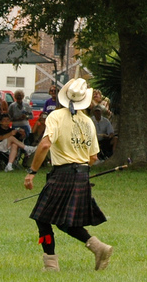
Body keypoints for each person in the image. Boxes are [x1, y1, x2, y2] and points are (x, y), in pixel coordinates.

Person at [23, 78, 112, 272]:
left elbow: (45, 144)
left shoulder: (55, 116)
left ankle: (51, 264)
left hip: (62, 175)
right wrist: (78, 169)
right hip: (81, 175)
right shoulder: (88, 122)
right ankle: (98, 248)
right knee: (63, 220)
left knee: (43, 217)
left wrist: (32, 172)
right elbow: (93, 157)